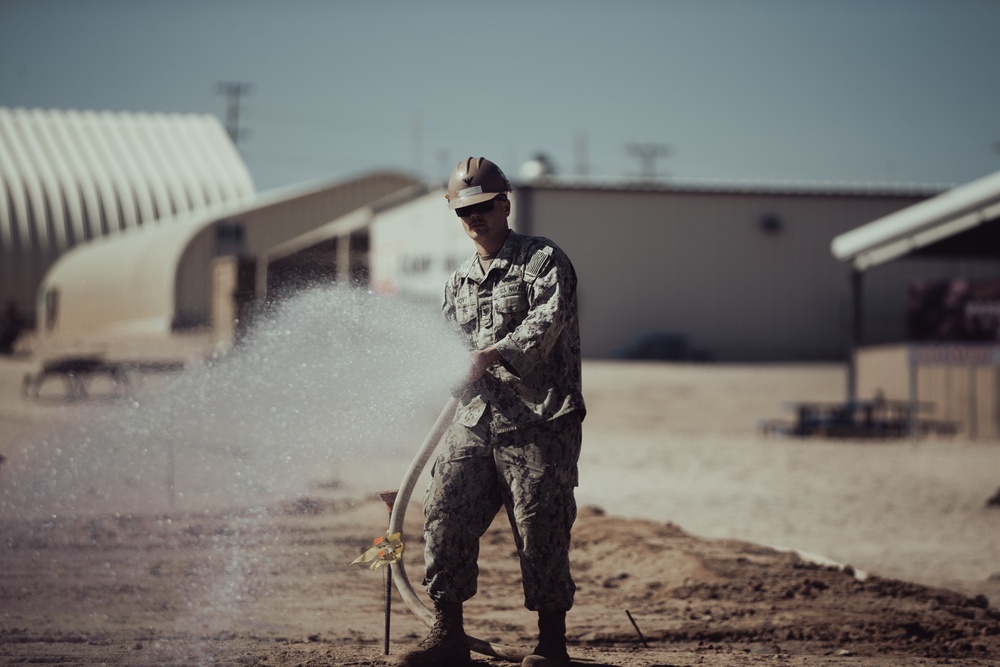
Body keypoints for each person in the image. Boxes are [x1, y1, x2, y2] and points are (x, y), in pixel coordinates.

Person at [400, 157, 586, 667]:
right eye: (464, 211)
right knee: (443, 513)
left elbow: (548, 323)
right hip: (474, 421)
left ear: (505, 204)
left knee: (540, 528)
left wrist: (492, 353)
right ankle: (448, 636)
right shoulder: (458, 281)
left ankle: (551, 648)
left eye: (483, 207)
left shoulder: (543, 260)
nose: (474, 218)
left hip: (538, 422)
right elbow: (447, 344)